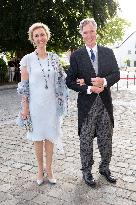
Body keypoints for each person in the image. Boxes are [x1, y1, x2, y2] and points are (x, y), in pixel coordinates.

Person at [66, 18, 120, 187]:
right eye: (85, 32)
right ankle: (87, 171)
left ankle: (105, 168)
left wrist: (103, 81)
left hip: (105, 104)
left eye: (92, 31)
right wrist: (89, 88)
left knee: (106, 138)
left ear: (96, 32)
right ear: (82, 35)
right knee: (86, 140)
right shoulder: (76, 56)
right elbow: (70, 81)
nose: (89, 35)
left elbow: (116, 74)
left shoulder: (108, 52)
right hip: (86, 106)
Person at [17, 22, 68, 186]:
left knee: (50, 137)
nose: (40, 38)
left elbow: (62, 79)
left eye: (42, 34)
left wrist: (76, 80)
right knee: (38, 138)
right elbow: (24, 86)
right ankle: (40, 170)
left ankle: (50, 169)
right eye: (36, 35)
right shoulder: (27, 59)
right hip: (36, 106)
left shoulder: (54, 58)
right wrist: (25, 107)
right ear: (33, 39)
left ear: (47, 36)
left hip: (52, 106)